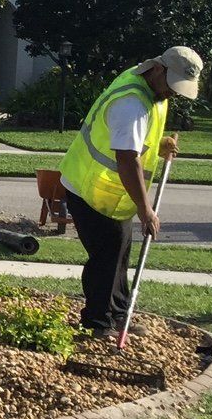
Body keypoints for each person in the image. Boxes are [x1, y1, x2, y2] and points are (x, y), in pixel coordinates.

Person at [59, 45, 199, 337]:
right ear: (158, 69)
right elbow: (126, 158)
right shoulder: (131, 103)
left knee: (120, 252)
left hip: (111, 192)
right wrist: (145, 208)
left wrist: (159, 146)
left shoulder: (150, 87)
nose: (173, 93)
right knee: (107, 254)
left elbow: (135, 141)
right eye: (173, 86)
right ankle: (97, 322)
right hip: (90, 189)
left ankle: (119, 314)